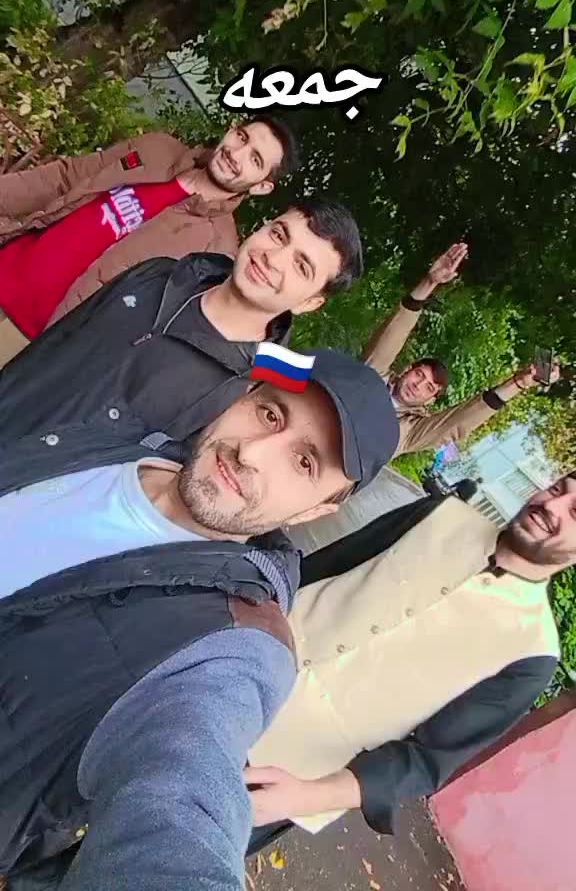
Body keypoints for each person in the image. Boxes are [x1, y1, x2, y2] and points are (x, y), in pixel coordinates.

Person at [0, 349, 399, 890]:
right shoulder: (123, 439)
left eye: (304, 462)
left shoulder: (234, 643)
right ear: (242, 397)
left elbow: (183, 789)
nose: (251, 452)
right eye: (270, 414)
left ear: (317, 509)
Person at [246, 473, 572, 851]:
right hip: (229, 662)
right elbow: (324, 566)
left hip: (279, 773)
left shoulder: (533, 652)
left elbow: (427, 759)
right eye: (556, 489)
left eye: (575, 512)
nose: (551, 505)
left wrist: (306, 797)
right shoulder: (441, 514)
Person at [0, 198, 363, 498]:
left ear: (310, 303)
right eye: (279, 234)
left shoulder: (246, 393)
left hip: (25, 497)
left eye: (301, 266)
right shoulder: (158, 274)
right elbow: (56, 342)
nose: (274, 257)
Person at [0, 116, 300, 367]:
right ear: (232, 129)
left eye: (255, 159)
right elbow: (64, 178)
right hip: (8, 262)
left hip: (27, 337)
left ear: (262, 186)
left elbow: (145, 333)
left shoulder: (215, 250)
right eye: (242, 137)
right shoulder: (156, 149)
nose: (236, 154)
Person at [363, 242, 561, 456]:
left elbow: (458, 421)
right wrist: (429, 282)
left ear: (431, 400)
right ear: (406, 369)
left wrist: (518, 383)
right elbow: (388, 341)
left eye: (429, 388)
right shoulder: (371, 377)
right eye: (419, 375)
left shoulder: (411, 431)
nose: (418, 386)